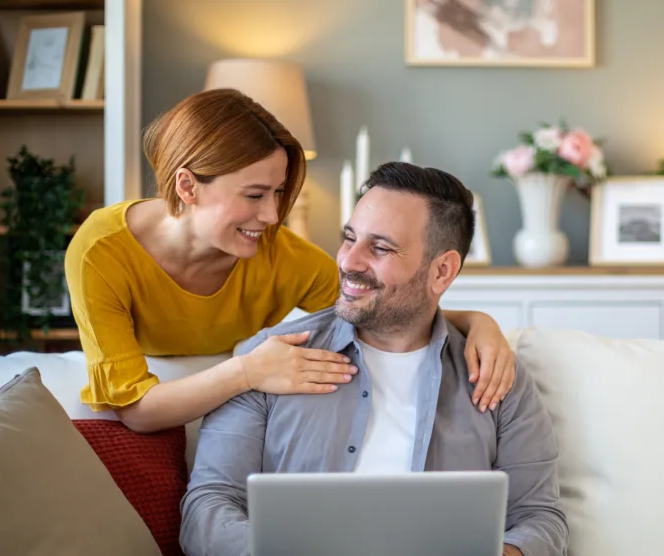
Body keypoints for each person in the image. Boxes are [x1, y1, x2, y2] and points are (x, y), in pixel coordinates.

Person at [180, 162, 571, 556]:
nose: (348, 260)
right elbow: (208, 502)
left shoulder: (495, 377)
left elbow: (541, 516)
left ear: (442, 270)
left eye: (380, 247)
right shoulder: (270, 359)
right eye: (349, 238)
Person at [64, 89, 515, 433]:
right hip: (164, 403)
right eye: (255, 195)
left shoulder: (281, 255)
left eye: (278, 192)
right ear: (187, 186)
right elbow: (136, 411)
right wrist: (248, 369)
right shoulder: (101, 252)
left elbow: (381, 310)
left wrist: (476, 321)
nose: (272, 215)